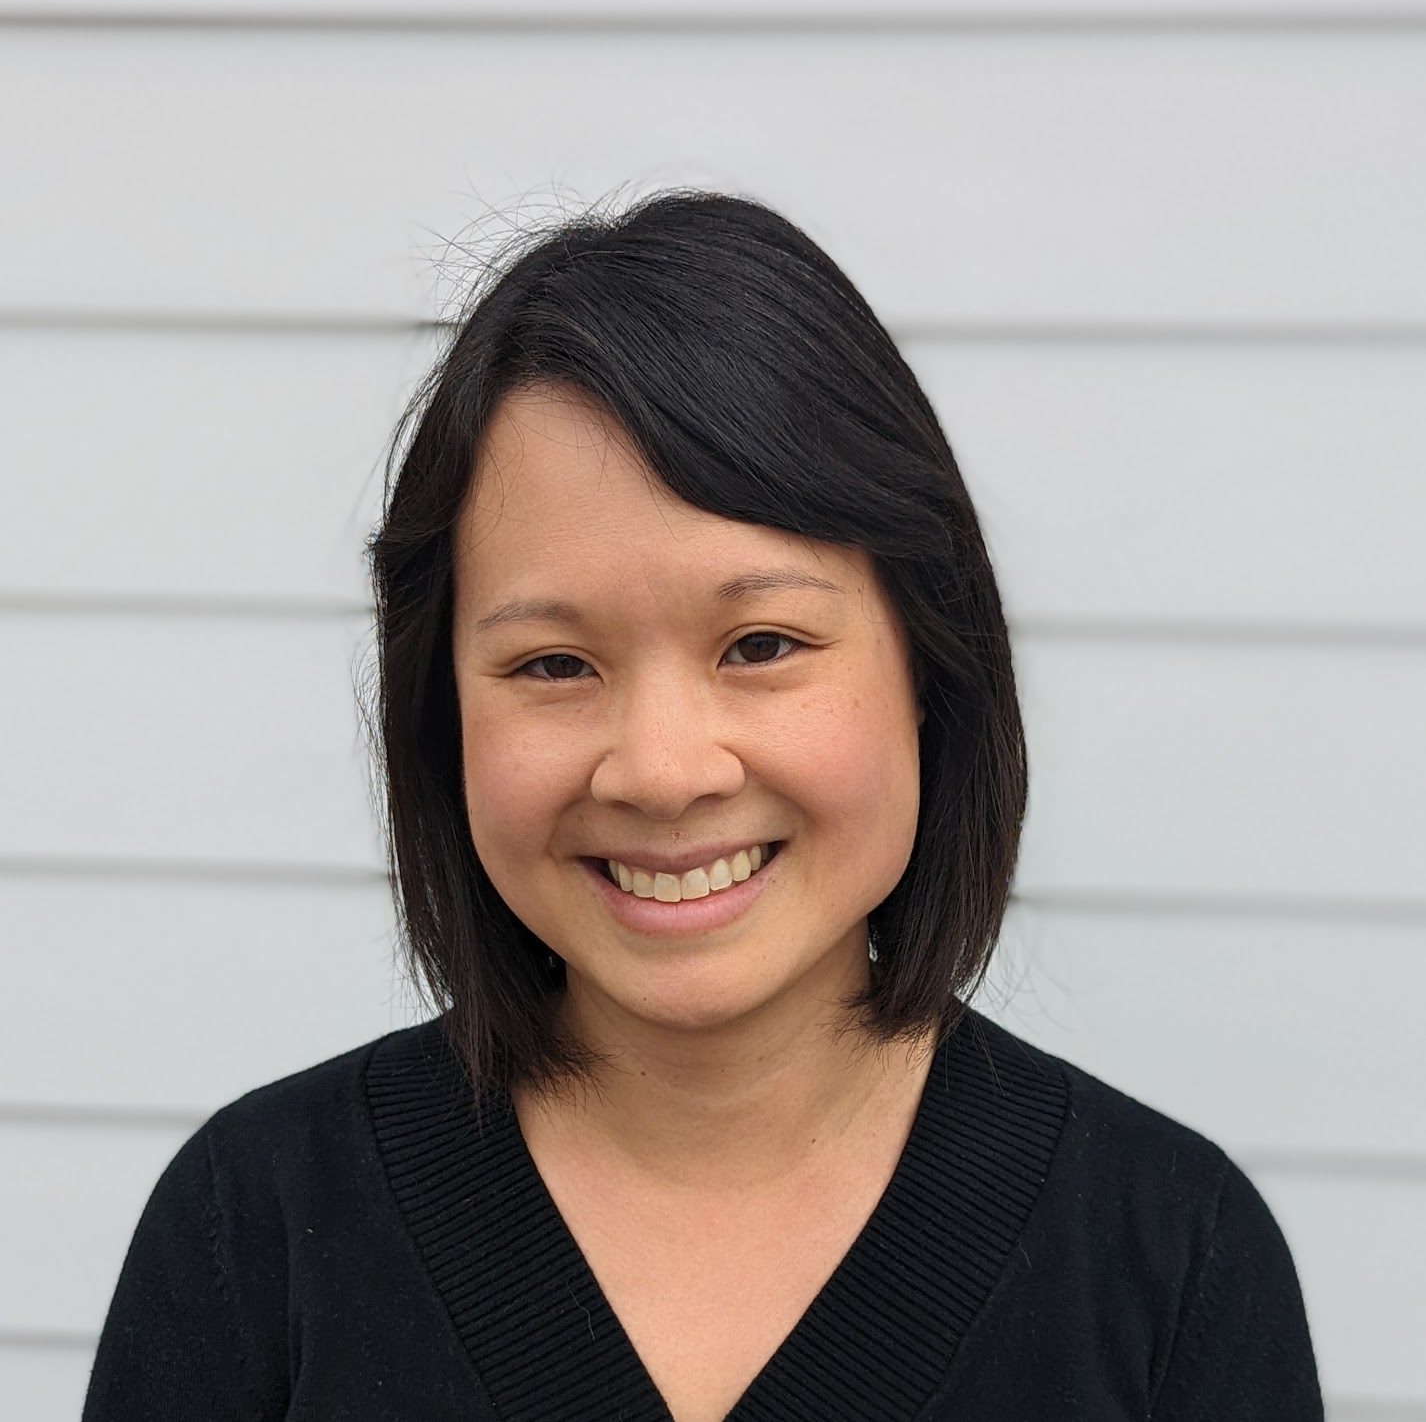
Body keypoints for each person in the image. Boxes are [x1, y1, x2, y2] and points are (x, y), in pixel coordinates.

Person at [82, 188, 1324, 1421]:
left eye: (763, 643)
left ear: (930, 667)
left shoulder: (1175, 1262)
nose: (663, 771)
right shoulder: (252, 1235)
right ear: (437, 713)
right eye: (554, 666)